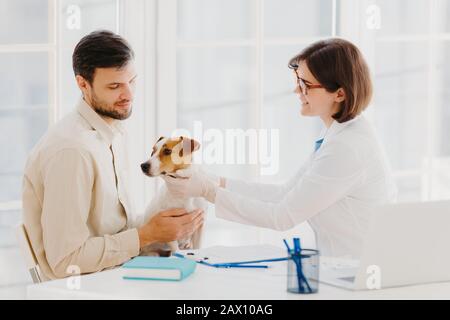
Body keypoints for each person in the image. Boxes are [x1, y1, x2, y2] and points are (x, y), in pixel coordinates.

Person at [163, 38, 397, 259]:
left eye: (305, 84)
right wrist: (216, 181)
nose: (297, 90)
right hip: (340, 268)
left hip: (356, 272)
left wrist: (208, 192)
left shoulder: (347, 148)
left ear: (340, 93)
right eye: (298, 81)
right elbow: (284, 193)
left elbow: (282, 216)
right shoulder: (337, 134)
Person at [22, 30, 204, 280]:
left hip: (116, 274)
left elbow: (115, 228)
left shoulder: (110, 132)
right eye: (115, 86)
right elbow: (65, 262)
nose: (129, 95)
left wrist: (166, 223)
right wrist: (146, 235)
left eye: (132, 81)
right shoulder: (72, 152)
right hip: (82, 289)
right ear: (83, 84)